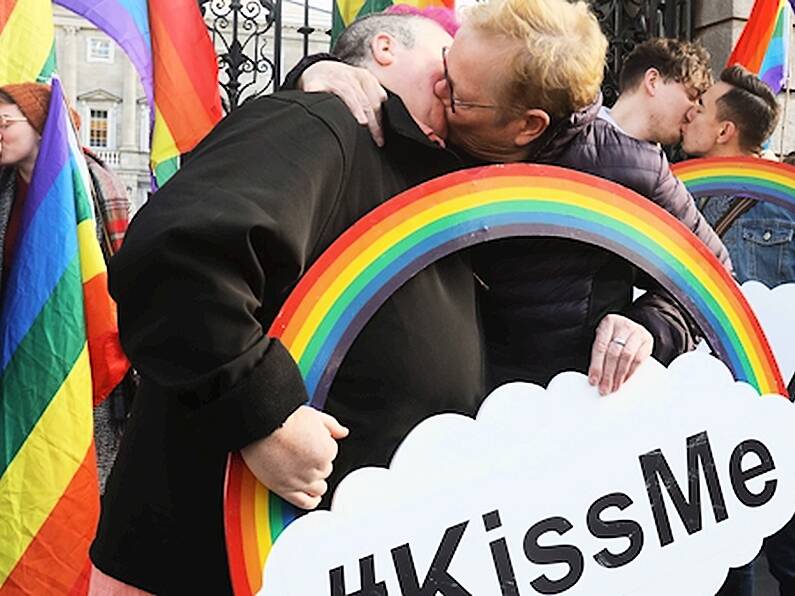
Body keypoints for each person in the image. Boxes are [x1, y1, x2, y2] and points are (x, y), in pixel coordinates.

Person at [90, 13, 490, 594]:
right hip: (211, 555)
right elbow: (181, 258)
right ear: (383, 47)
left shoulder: (421, 171)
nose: (455, 81)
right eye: (445, 56)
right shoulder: (321, 120)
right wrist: (264, 413)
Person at [288, 17, 730, 394]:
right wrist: (317, 70)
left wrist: (651, 325)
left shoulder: (627, 167)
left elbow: (714, 275)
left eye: (458, 93)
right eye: (446, 65)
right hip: (417, 419)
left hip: (550, 419)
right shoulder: (452, 121)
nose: (439, 90)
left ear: (525, 125)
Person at [680, 64, 795, 596]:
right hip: (705, 415)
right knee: (729, 555)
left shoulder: (782, 202)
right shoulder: (675, 192)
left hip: (765, 411)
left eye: (701, 108)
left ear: (726, 131)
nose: (689, 113)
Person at [0, 82, 133, 492]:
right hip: (14, 354)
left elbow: (121, 273)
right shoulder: (4, 185)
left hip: (77, 351)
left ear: (41, 127)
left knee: (75, 479)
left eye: (4, 122)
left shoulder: (93, 183)